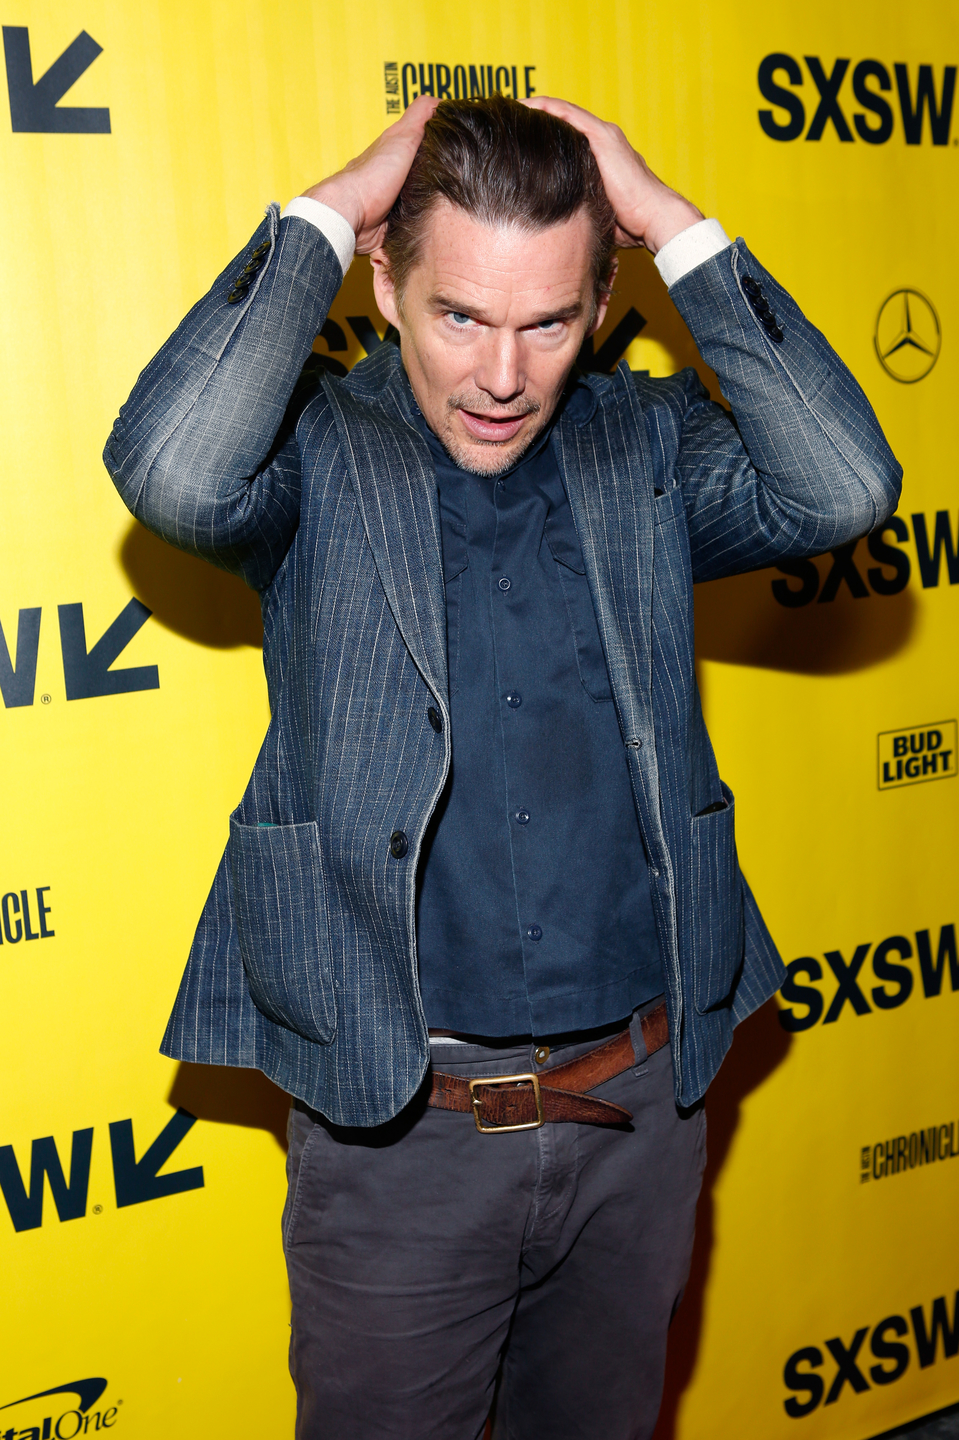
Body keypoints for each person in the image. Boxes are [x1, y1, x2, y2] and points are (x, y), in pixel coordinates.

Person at [104, 94, 900, 1439]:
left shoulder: (639, 446)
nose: (502, 374)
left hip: (640, 1109)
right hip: (397, 1128)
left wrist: (670, 224)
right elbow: (174, 467)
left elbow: (841, 488)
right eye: (461, 314)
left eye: (549, 321)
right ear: (386, 282)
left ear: (600, 305)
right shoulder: (312, 454)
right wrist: (329, 203)